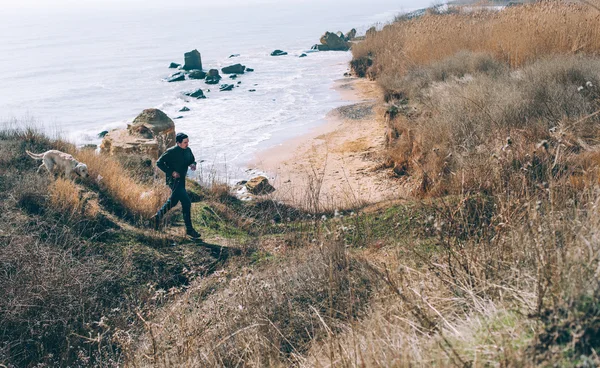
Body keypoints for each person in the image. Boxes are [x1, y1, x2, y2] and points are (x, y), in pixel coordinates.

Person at [152, 132, 201, 239]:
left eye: (188, 141)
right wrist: (171, 172)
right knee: (187, 202)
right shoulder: (171, 152)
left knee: (173, 201)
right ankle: (190, 230)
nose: (187, 144)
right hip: (173, 181)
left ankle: (156, 218)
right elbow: (159, 163)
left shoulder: (188, 150)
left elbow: (192, 160)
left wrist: (193, 164)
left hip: (182, 180)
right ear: (178, 143)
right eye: (185, 142)